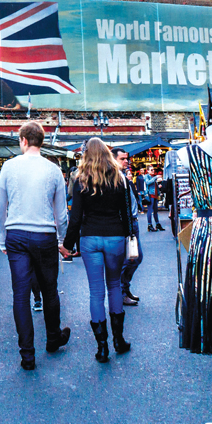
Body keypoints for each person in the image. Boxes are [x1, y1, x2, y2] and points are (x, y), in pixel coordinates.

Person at [0, 121, 71, 371]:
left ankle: (27, 355)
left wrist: (2, 237)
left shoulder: (9, 166)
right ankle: (52, 338)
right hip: (44, 234)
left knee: (20, 294)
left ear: (23, 141)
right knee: (50, 290)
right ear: (41, 141)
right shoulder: (53, 170)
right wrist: (61, 240)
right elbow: (61, 213)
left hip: (16, 233)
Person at [63, 138, 132, 364]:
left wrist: (68, 246)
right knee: (114, 286)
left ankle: (102, 348)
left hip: (90, 239)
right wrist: (130, 236)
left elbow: (75, 219)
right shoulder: (119, 178)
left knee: (96, 292)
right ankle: (119, 341)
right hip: (115, 237)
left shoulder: (80, 180)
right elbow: (126, 213)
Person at [111, 148, 142, 307]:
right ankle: (122, 292)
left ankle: (125, 289)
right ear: (114, 159)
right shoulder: (116, 178)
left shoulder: (122, 177)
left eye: (127, 159)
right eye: (122, 159)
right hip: (128, 223)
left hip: (133, 221)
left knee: (135, 257)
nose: (126, 162)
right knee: (131, 258)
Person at [144, 165, 164, 231]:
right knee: (150, 210)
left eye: (153, 170)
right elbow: (148, 182)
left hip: (155, 195)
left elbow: (154, 185)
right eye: (151, 170)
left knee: (155, 210)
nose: (153, 171)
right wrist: (156, 177)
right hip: (150, 195)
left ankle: (157, 224)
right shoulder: (147, 176)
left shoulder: (153, 177)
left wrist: (159, 191)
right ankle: (149, 224)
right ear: (148, 171)